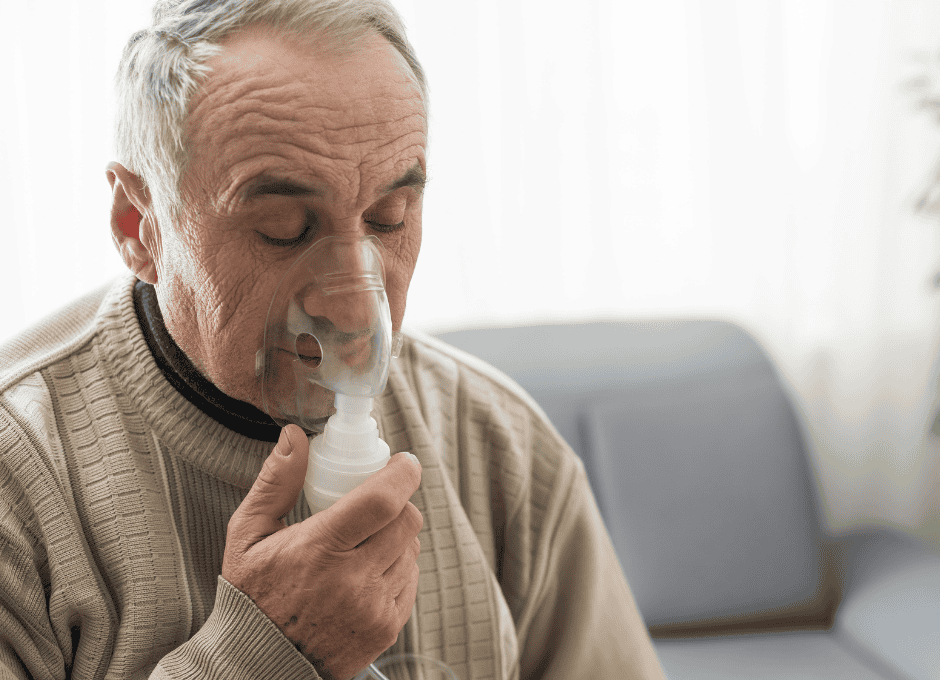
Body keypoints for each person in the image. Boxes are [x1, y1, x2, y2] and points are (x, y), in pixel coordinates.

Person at [0, 1, 666, 679]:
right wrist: (257, 657)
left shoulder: (502, 450)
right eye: (285, 228)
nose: (353, 309)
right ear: (140, 224)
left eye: (389, 217)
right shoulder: (17, 483)